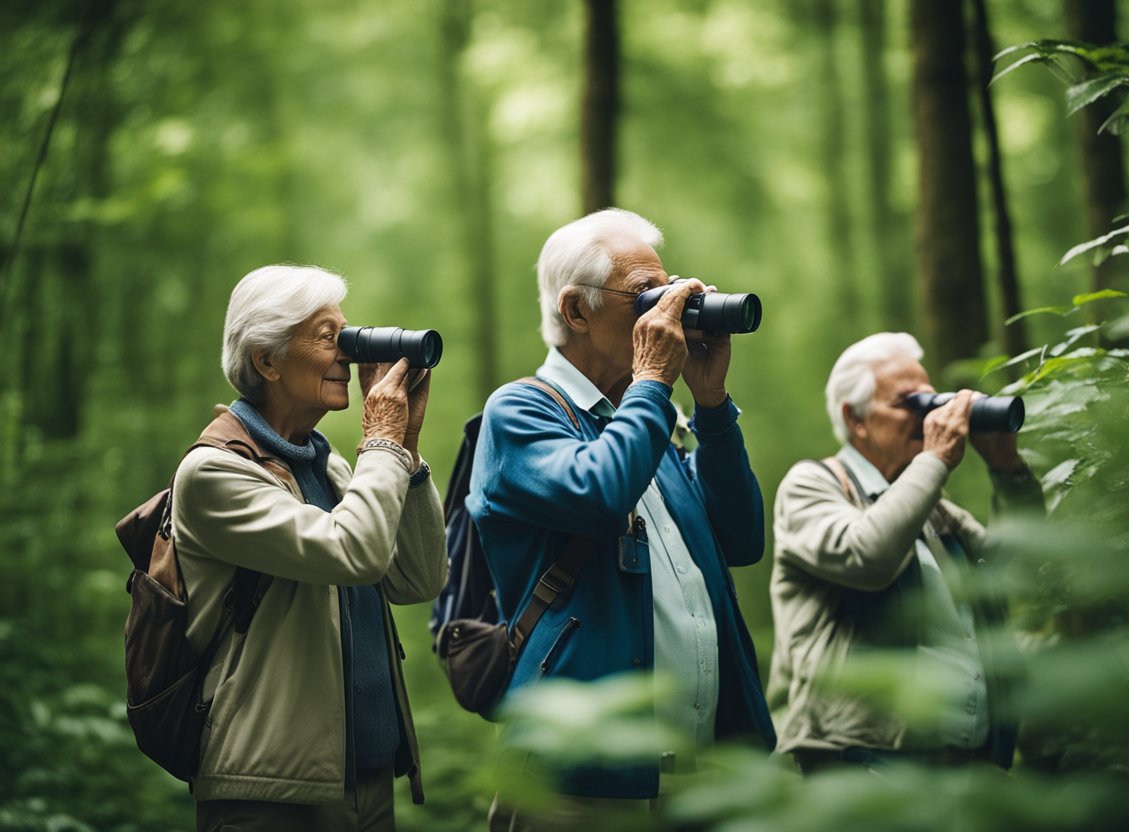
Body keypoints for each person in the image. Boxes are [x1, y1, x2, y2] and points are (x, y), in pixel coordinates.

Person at [468, 208, 776, 827]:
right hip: (580, 779)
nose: (665, 312)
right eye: (644, 296)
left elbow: (741, 541)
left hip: (698, 776)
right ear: (576, 311)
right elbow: (599, 493)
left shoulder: (650, 423)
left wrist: (711, 403)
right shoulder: (521, 411)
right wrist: (655, 383)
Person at [172, 264, 447, 830]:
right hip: (271, 791)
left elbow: (417, 579)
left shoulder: (331, 466)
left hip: (367, 777)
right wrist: (382, 442)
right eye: (328, 336)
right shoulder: (214, 475)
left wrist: (407, 452)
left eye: (347, 334)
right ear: (266, 360)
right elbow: (355, 554)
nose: (347, 352)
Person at [767, 332, 1043, 774]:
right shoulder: (812, 485)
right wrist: (933, 462)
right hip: (857, 764)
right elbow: (868, 557)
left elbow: (1018, 567)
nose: (928, 418)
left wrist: (1007, 469)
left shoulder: (931, 509)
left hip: (963, 766)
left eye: (933, 402)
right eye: (909, 404)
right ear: (855, 419)